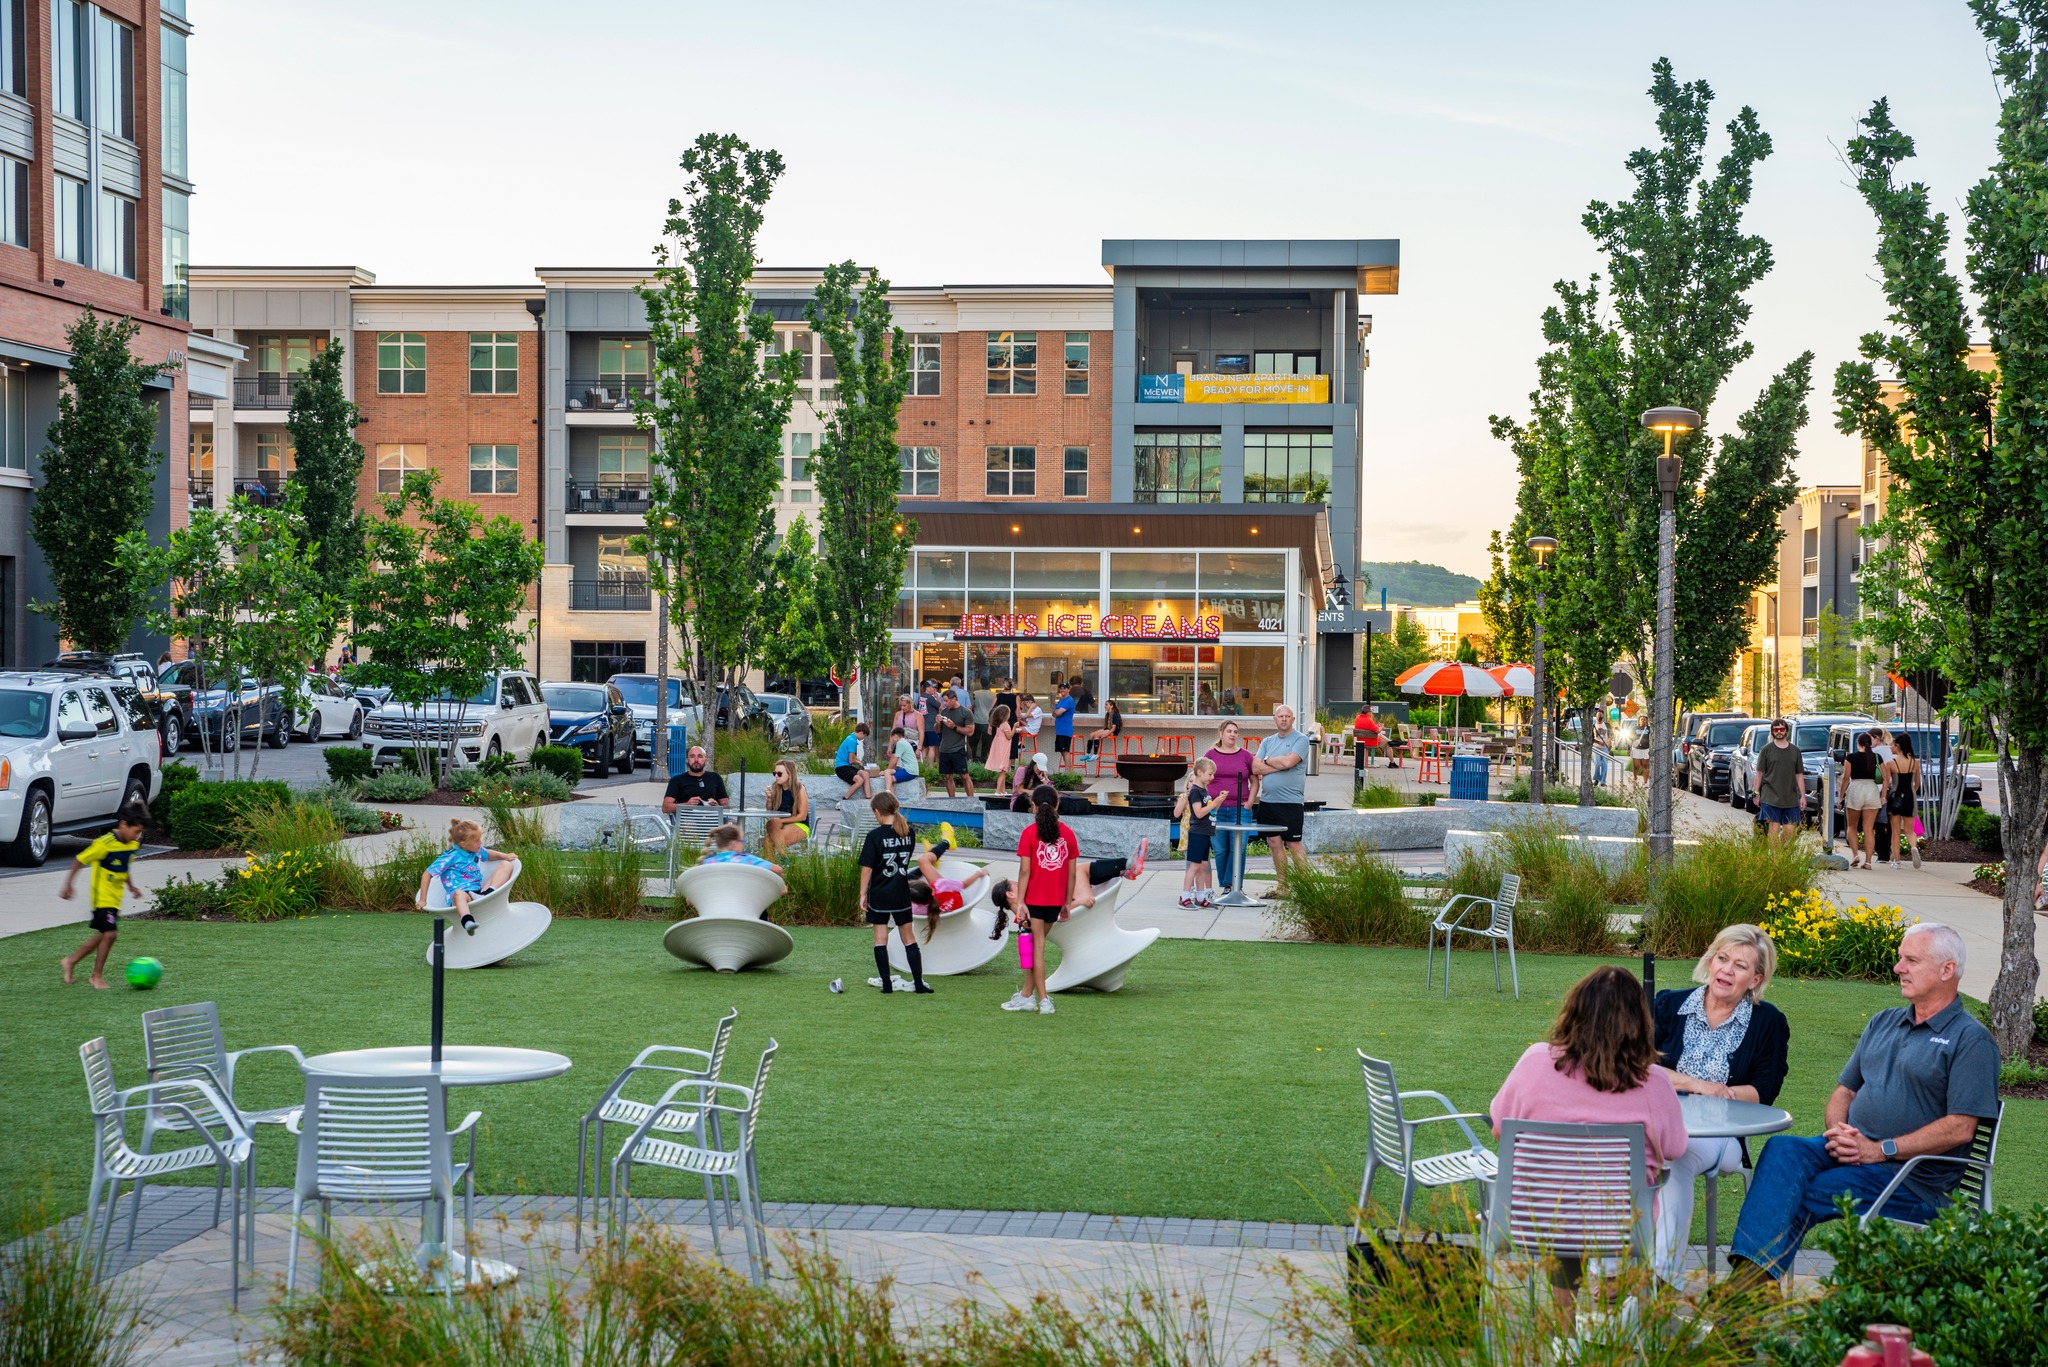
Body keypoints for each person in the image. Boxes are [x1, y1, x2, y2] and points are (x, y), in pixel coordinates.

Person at [1726, 924, 2000, 1290]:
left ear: (1947, 970)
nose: (1898, 967)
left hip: (1912, 1179)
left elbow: (1961, 1127)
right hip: (1856, 1151)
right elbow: (1844, 1093)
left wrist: (1880, 1150)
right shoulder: (1884, 1022)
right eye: (1900, 958)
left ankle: (1743, 1293)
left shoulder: (1971, 1040)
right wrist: (1840, 1131)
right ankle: (1750, 1294)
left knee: (1798, 1192)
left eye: (1911, 960)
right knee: (1783, 1149)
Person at [1490, 965, 1688, 1306]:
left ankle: (1563, 1334)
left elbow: (1498, 1127)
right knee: (1587, 1209)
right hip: (1622, 1228)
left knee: (1565, 1204)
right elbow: (1675, 1148)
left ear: (1574, 1010)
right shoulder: (1654, 1082)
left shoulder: (1535, 1061)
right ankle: (1616, 1327)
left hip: (1532, 1217)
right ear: (1639, 1022)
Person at [1649, 925, 1790, 1286]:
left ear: (1756, 979)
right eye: (1722, 959)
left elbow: (1763, 1091)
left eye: (1739, 966)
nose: (1726, 970)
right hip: (1657, 1123)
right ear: (1710, 962)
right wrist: (1700, 1085)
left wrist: (1720, 1095)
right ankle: (1618, 1275)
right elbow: (1638, 1067)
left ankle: (1661, 1285)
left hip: (1722, 1135)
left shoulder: (1768, 1022)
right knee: (1625, 1157)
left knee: (1675, 1157)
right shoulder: (1668, 1004)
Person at [1008, 784, 1089, 1016]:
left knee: (1037, 948)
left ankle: (1042, 1000)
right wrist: (1066, 902)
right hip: (1055, 901)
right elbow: (1072, 873)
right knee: (1035, 945)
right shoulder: (1069, 834)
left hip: (1035, 899)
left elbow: (1024, 872)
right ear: (1057, 804)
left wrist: (1020, 901)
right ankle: (1026, 995)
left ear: (1033, 806)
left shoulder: (1029, 834)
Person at [59, 803, 150, 989]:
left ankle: (71, 961)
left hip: (115, 899)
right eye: (136, 831)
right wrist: (68, 885)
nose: (138, 836)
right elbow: (79, 860)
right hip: (102, 898)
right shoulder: (104, 844)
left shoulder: (132, 844)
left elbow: (124, 866)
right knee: (110, 934)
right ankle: (96, 977)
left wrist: (131, 886)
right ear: (123, 824)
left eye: (140, 832)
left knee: (103, 936)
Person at [857, 792, 930, 995]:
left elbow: (867, 869)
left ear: (878, 811)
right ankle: (918, 983)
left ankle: (887, 984)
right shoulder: (909, 832)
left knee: (880, 939)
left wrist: (862, 894)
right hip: (901, 892)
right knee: (908, 937)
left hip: (880, 893)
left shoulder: (875, 836)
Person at [1252, 705, 1314, 898]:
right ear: (1275, 719)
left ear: (1293, 719)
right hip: (1269, 801)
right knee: (1274, 843)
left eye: (1287, 716)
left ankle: (1305, 889)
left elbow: (1289, 762)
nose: (1284, 719)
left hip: (1291, 802)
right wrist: (1277, 763)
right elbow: (1255, 767)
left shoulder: (1301, 740)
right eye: (1281, 716)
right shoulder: (1267, 741)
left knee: (1294, 844)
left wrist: (1268, 761)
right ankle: (1283, 888)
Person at [418, 818, 515, 936]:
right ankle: (467, 921)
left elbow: (488, 854)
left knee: (506, 865)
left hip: (478, 893)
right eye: (477, 840)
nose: (481, 843)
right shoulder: (451, 856)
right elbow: (427, 873)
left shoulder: (474, 850)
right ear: (463, 844)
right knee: (459, 894)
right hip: (461, 896)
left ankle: (488, 892)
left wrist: (505, 856)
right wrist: (423, 899)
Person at [1204, 720, 1256, 892]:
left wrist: (1250, 802)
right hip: (1216, 809)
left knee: (1239, 849)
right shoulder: (1210, 755)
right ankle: (1227, 885)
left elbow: (1254, 781)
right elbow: (1201, 779)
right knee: (1220, 849)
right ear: (1221, 733)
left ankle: (1233, 885)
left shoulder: (1246, 756)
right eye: (1229, 731)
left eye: (1235, 731)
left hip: (1240, 810)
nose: (1233, 734)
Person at [1176, 757, 1222, 907]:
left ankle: (1201, 897)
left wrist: (1218, 802)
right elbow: (1199, 813)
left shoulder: (1203, 791)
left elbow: (1210, 812)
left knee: (1202, 865)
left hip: (1205, 832)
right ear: (1200, 772)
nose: (1212, 777)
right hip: (1197, 832)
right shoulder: (1195, 791)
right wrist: (1214, 803)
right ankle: (1184, 897)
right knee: (1194, 866)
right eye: (1210, 774)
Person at [1755, 718, 1807, 846]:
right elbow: (1759, 773)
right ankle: (1774, 859)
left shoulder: (1795, 751)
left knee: (1790, 830)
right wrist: (1756, 793)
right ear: (1772, 732)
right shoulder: (1766, 750)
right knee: (1774, 828)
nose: (1779, 732)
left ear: (1786, 731)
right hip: (1770, 796)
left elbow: (1799, 774)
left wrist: (1803, 796)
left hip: (1790, 797)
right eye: (1776, 729)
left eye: (1782, 729)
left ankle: (1781, 853)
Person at [1841, 732, 1883, 871]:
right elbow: (1885, 777)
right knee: (1869, 829)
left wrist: (1841, 797)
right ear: (1870, 744)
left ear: (1858, 743)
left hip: (1856, 789)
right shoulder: (1877, 757)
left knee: (1852, 827)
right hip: (1872, 789)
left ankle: (1855, 855)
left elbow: (1846, 778)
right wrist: (1883, 795)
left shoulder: (1851, 757)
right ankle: (1869, 861)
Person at [1885, 734, 1922, 869]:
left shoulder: (1891, 763)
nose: (1890, 747)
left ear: (1898, 746)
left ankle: (1896, 860)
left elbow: (1887, 783)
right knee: (1910, 830)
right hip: (1909, 797)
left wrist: (1885, 794)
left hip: (1895, 797)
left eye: (1892, 745)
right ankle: (1913, 847)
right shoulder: (1915, 762)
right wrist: (1912, 792)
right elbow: (1917, 784)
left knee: (1895, 831)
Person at [703, 822, 782, 883]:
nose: (743, 844)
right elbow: (778, 870)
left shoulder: (707, 861)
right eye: (742, 841)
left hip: (714, 902)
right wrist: (781, 888)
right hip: (745, 901)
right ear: (733, 844)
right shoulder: (746, 859)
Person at [935, 689, 977, 798]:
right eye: (944, 701)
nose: (945, 703)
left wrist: (954, 727)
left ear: (954, 699)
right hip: (944, 749)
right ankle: (951, 800)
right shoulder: (944, 712)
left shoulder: (965, 712)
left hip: (958, 749)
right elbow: (938, 731)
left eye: (947, 701)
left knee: (964, 776)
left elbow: (970, 731)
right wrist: (938, 723)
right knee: (948, 777)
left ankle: (971, 800)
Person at [662, 745, 729, 814]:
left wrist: (717, 806)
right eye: (692, 756)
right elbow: (665, 807)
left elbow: (726, 805)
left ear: (705, 760)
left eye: (700, 756)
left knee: (733, 823)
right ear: (687, 760)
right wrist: (687, 805)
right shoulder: (677, 780)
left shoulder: (715, 777)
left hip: (713, 818)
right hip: (687, 820)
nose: (696, 760)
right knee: (689, 824)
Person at [763, 759, 811, 852]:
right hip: (778, 825)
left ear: (789, 774)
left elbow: (802, 816)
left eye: (779, 774)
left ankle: (782, 859)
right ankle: (782, 858)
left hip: (799, 824)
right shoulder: (776, 788)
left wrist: (780, 821)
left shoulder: (799, 789)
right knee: (772, 823)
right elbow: (770, 811)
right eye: (774, 773)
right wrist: (769, 799)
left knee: (768, 840)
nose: (776, 776)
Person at [834, 723, 872, 799]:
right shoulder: (852, 741)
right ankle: (844, 799)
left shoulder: (851, 737)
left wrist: (857, 761)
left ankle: (868, 798)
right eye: (864, 736)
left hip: (847, 766)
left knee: (865, 774)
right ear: (861, 733)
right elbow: (851, 760)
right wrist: (859, 763)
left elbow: (851, 756)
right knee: (860, 780)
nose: (863, 738)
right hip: (841, 768)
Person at [1014, 694, 1044, 788]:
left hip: (1032, 730)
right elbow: (1027, 722)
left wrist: (1031, 707)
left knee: (1015, 730)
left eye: (1027, 703)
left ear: (1030, 702)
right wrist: (1020, 720)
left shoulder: (1037, 710)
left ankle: (1020, 745)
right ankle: (1019, 745)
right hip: (1029, 727)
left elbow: (1027, 715)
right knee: (1016, 727)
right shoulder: (1033, 710)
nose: (1026, 705)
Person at [986, 705, 1016, 796]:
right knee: (1003, 771)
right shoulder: (1006, 725)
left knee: (1003, 771)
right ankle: (998, 790)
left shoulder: (1000, 725)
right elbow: (1009, 736)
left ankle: (1003, 791)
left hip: (999, 748)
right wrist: (1014, 727)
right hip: (1004, 749)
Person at [1051, 681, 1078, 771]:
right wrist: (1055, 712)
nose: (1062, 690)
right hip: (1059, 730)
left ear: (1068, 690)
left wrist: (1056, 712)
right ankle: (1069, 770)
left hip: (1066, 730)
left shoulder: (1069, 700)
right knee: (1062, 752)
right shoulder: (1061, 700)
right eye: (1061, 688)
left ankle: (1068, 772)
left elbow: (1057, 713)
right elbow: (1054, 714)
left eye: (1064, 688)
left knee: (1065, 751)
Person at [885, 726, 920, 793]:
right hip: (910, 769)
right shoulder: (904, 742)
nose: (892, 740)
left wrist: (887, 769)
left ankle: (888, 792)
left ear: (895, 736)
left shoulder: (900, 743)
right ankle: (891, 796)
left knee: (888, 777)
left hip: (909, 771)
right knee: (888, 773)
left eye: (892, 738)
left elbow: (895, 760)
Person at [971, 679, 996, 762]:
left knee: (975, 741)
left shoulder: (975, 693)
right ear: (989, 684)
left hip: (977, 720)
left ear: (981, 684)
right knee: (986, 742)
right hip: (987, 721)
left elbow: (972, 706)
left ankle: (974, 757)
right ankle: (983, 758)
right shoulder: (993, 695)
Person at [919, 681, 943, 763]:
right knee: (932, 747)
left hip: (922, 725)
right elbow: (941, 707)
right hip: (932, 725)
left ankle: (922, 766)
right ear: (928, 688)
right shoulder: (930, 698)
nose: (934, 689)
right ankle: (931, 767)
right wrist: (937, 697)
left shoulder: (921, 697)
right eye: (932, 687)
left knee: (924, 747)